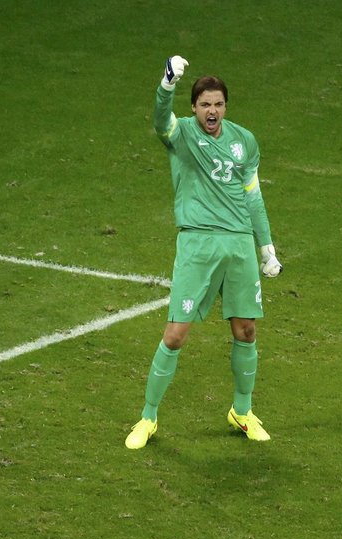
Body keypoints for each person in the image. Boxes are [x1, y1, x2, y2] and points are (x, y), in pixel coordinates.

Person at [125, 55, 283, 449]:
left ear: (225, 107)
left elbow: (253, 196)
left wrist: (266, 247)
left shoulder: (244, 140)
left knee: (246, 330)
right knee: (176, 335)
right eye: (204, 104)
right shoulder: (181, 135)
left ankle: (241, 412)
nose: (212, 111)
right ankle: (147, 418)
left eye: (218, 104)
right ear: (193, 107)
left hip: (239, 245)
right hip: (198, 243)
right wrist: (166, 85)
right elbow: (161, 120)